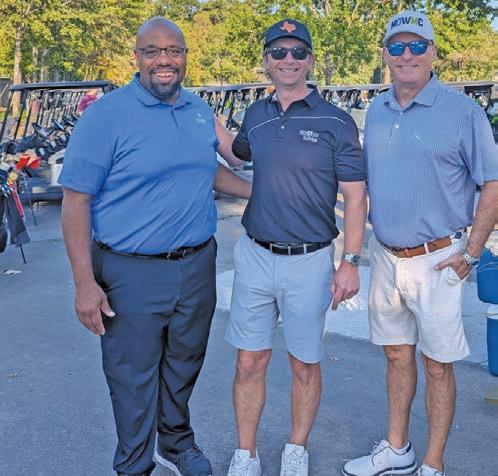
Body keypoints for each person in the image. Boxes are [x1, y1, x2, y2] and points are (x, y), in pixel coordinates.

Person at [59, 17, 250, 476]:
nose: (164, 60)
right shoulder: (106, 116)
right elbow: (75, 201)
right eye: (152, 51)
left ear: (184, 57)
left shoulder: (198, 110)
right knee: (132, 374)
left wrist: (259, 191)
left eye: (173, 51)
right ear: (137, 57)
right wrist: (84, 283)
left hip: (196, 266)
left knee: (185, 361)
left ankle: (176, 443)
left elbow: (208, 169)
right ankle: (134, 463)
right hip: (130, 272)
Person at [343, 10, 498, 476]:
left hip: (439, 260)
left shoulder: (463, 112)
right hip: (386, 257)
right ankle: (398, 449)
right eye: (396, 46)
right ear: (385, 55)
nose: (406, 55)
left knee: (437, 365)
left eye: (416, 46)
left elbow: (492, 182)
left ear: (433, 52)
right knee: (396, 355)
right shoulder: (377, 110)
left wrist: (472, 253)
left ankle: (433, 463)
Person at [225, 19, 367, 476]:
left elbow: (356, 198)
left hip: (309, 261)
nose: (289, 60)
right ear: (266, 60)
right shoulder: (255, 115)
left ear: (310, 60)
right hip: (255, 255)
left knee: (304, 363)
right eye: (279, 52)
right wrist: (201, 121)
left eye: (298, 52)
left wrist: (350, 261)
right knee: (249, 361)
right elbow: (239, 154)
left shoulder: (336, 121)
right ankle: (245, 454)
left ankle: (296, 448)